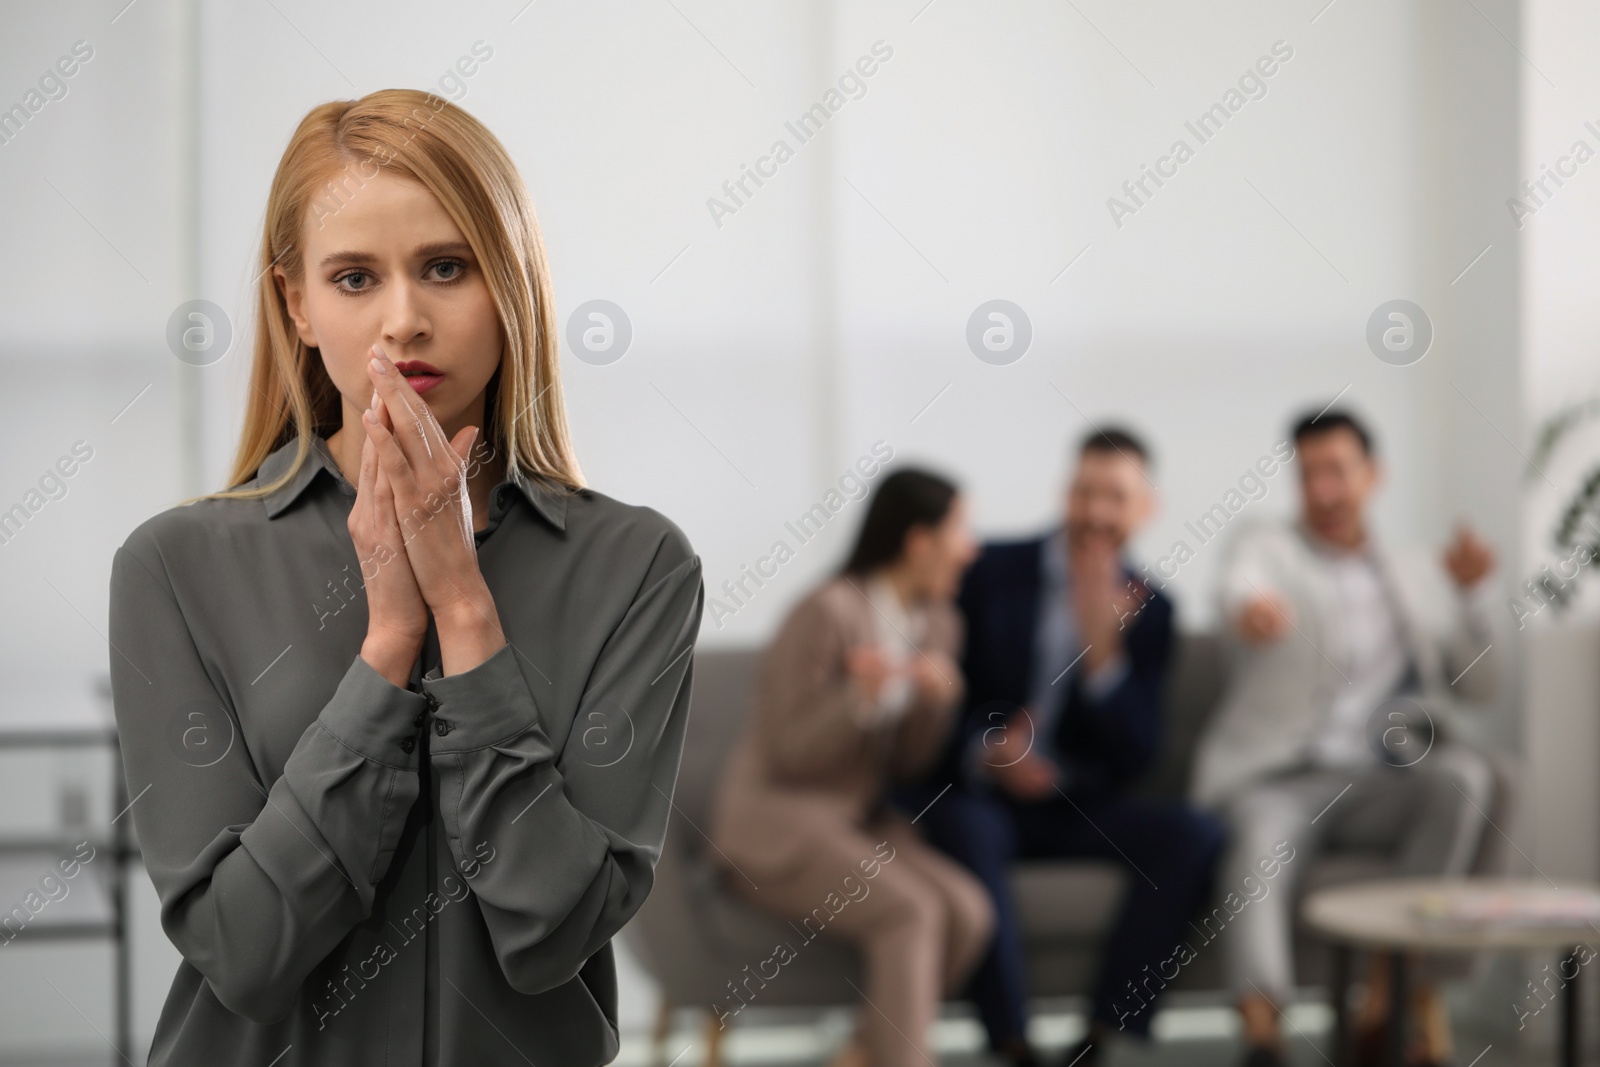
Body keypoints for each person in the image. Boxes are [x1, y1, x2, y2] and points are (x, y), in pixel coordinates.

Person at [106, 90, 704, 1066]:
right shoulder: (173, 567)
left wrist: (465, 612)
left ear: (509, 281)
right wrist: (385, 647)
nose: (404, 319)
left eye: (445, 266)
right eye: (353, 277)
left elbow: (554, 928)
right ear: (295, 303)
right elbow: (247, 952)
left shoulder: (639, 566)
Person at [897, 428, 1226, 1067]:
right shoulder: (988, 570)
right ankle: (1013, 1043)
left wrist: (1104, 655)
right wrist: (989, 749)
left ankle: (1105, 1034)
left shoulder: (1152, 610)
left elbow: (1138, 756)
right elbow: (940, 689)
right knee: (964, 828)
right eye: (1085, 493)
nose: (1097, 513)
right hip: (984, 794)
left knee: (1193, 834)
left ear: (1145, 509)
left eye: (1116, 497)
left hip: (1074, 802)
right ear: (1064, 494)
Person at [1191, 409, 1499, 1067]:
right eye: (1309, 475)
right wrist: (1252, 608)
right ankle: (1263, 1034)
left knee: (1464, 777)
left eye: (1337, 471)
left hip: (1379, 777)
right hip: (1277, 775)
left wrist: (1473, 596)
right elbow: (1239, 583)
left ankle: (1384, 997)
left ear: (1373, 475)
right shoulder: (1267, 545)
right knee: (1254, 844)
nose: (1324, 491)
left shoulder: (1416, 570)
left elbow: (1477, 687)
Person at [708, 469, 994, 1067]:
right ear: (920, 541)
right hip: (776, 823)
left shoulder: (940, 624)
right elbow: (789, 753)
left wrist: (934, 706)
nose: (972, 549)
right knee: (910, 911)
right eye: (961, 531)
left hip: (855, 820)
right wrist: (857, 700)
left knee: (969, 912)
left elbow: (911, 762)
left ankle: (865, 1053)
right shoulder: (827, 612)